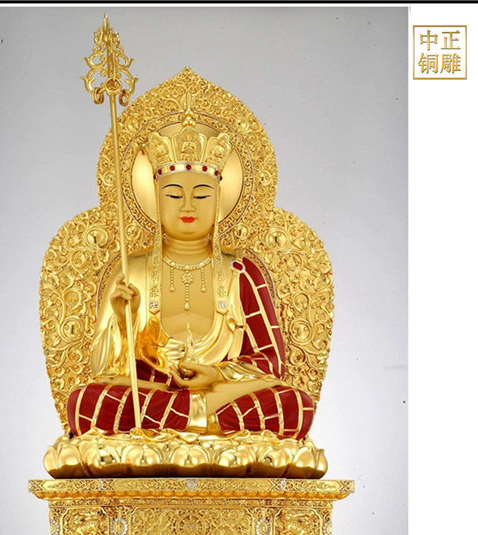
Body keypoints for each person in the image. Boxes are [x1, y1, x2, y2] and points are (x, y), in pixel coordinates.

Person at [67, 109, 314, 439]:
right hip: (158, 393)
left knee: (295, 404)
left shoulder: (240, 271)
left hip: (215, 394)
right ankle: (203, 420)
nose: (187, 206)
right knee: (84, 401)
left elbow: (271, 364)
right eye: (173, 195)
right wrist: (125, 323)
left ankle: (177, 421)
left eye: (201, 195)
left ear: (219, 200)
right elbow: (104, 371)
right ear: (155, 200)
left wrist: (216, 375)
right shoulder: (131, 270)